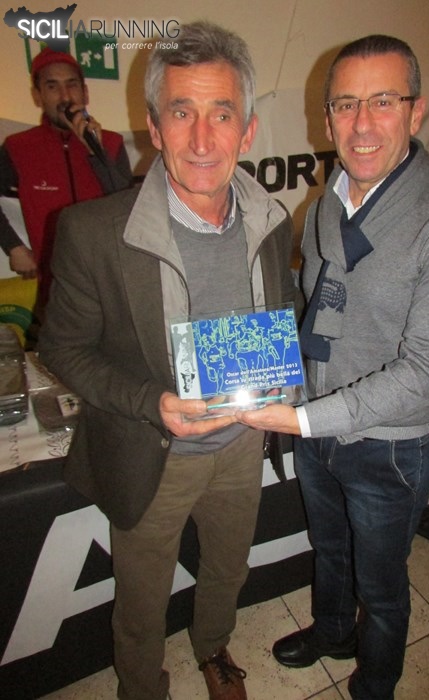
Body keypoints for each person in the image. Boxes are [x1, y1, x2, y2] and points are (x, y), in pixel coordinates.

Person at [38, 21, 296, 700]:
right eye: (182, 113)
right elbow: (63, 347)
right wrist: (151, 402)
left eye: (222, 115)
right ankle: (140, 685)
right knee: (141, 595)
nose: (202, 139)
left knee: (227, 568)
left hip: (242, 443)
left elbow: (281, 311)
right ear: (154, 127)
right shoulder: (94, 232)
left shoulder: (274, 221)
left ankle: (213, 648)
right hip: (153, 451)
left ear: (247, 130)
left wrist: (283, 379)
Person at [235, 35, 429, 699]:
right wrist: (255, 363)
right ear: (327, 120)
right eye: (345, 104)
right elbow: (313, 313)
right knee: (329, 549)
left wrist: (300, 419)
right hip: (317, 431)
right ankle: (331, 631)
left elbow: (426, 372)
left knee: (381, 587)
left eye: (382, 101)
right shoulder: (324, 205)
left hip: (389, 447)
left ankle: (375, 683)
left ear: (415, 111)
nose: (362, 123)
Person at [0, 47, 132, 318]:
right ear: (37, 96)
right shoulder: (18, 148)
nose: (64, 96)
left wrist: (96, 153)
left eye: (72, 85)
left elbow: (129, 206)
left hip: (113, 287)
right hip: (55, 291)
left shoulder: (111, 143)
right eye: (52, 87)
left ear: (85, 93)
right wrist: (12, 246)